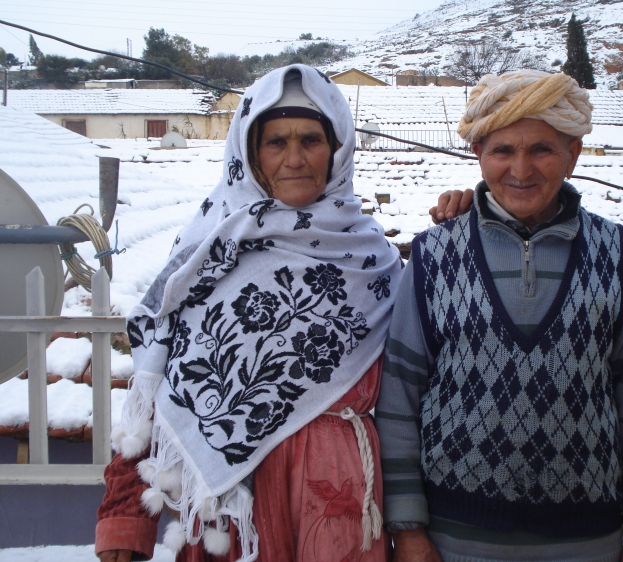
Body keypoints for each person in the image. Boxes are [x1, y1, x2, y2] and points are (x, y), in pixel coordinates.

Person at [95, 64, 406, 562]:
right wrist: (125, 523)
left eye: (311, 139)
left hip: (336, 502)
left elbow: (413, 395)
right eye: (276, 141)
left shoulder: (374, 261)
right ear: (249, 152)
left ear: (340, 148)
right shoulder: (207, 253)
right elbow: (154, 393)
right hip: (233, 509)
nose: (295, 158)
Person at [376, 70, 623, 562]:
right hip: (454, 539)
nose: (521, 169)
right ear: (478, 155)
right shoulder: (435, 253)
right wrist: (407, 528)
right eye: (503, 150)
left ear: (573, 155)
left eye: (542, 150)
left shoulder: (613, 252)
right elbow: (401, 395)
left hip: (585, 540)